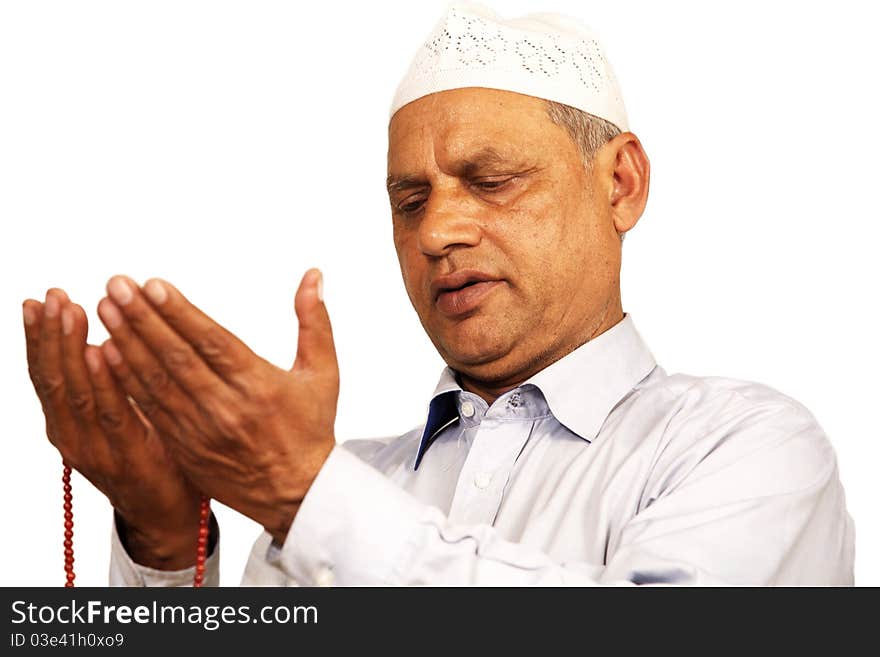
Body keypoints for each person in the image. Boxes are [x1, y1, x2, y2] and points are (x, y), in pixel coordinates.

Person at [22, 3, 854, 586]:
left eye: (491, 181)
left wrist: (303, 496)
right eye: (409, 201)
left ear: (622, 184)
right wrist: (165, 541)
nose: (435, 234)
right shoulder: (345, 480)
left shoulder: (746, 450)